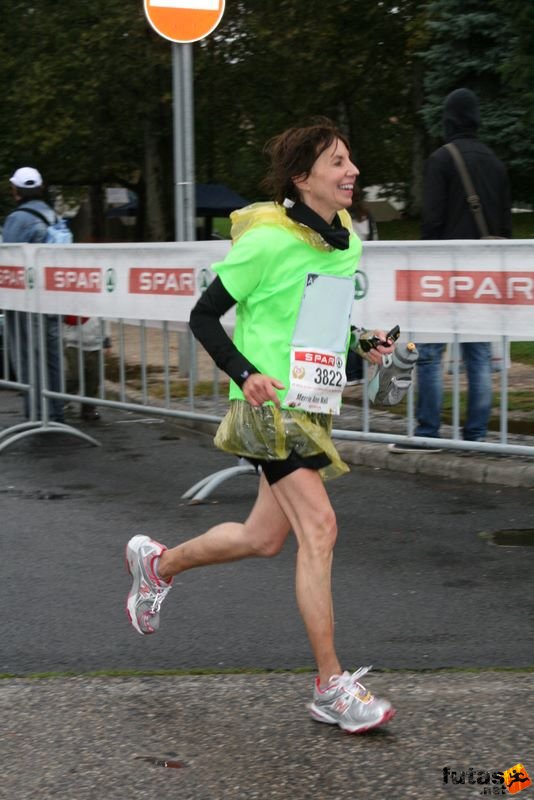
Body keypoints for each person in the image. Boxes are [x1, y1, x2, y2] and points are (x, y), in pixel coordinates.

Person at [125, 119, 397, 734]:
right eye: (336, 162)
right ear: (303, 178)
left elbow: (316, 322)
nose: (351, 171)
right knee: (320, 528)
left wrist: (363, 346)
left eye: (350, 159)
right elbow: (203, 316)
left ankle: (159, 566)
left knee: (263, 538)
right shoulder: (265, 241)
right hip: (267, 408)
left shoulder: (344, 237)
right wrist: (244, 373)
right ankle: (331, 685)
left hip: (310, 402)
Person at [390, 88, 512, 454]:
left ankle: (428, 432)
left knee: (429, 354)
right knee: (477, 356)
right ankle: (475, 437)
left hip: (444, 272)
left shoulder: (442, 159)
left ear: (448, 119)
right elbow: (505, 225)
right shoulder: (495, 162)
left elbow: (433, 221)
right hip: (485, 274)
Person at [2, 167, 65, 423]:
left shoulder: (18, 219)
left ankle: (37, 414)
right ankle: (56, 412)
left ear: (16, 191)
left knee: (27, 356)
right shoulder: (52, 215)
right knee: (51, 355)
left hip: (25, 299)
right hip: (50, 297)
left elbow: (8, 258)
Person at [346, 186, 379, 385]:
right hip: (366, 274)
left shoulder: (341, 217)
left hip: (348, 271)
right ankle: (360, 369)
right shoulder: (367, 217)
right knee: (361, 322)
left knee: (348, 322)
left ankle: (351, 372)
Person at [63, 316, 112, 420]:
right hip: (73, 343)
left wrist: (107, 341)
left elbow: (105, 320)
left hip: (95, 345)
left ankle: (88, 409)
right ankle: (59, 401)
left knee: (93, 378)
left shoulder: (101, 302)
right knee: (74, 376)